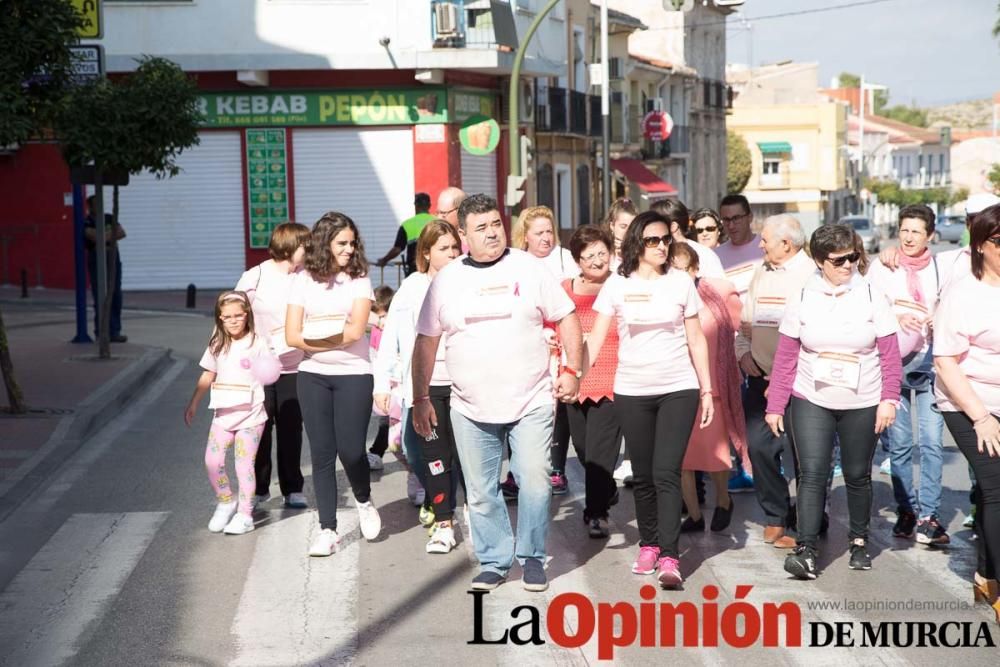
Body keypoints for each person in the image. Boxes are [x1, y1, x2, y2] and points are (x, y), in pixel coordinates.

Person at [412, 194, 583, 592]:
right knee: (481, 489)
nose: (491, 233)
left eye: (495, 224)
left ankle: (533, 556)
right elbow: (426, 342)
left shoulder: (529, 268)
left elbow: (566, 316)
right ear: (463, 234)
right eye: (481, 228)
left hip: (532, 398)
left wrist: (573, 369)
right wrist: (421, 398)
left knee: (536, 480)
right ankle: (494, 559)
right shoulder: (448, 279)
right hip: (470, 406)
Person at [585, 210, 715, 588]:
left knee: (666, 472)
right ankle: (650, 543)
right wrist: (575, 375)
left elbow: (696, 339)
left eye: (665, 240)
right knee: (642, 475)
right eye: (653, 240)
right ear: (637, 244)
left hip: (679, 387)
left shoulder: (680, 283)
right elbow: (596, 338)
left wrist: (707, 390)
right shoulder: (617, 284)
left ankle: (671, 556)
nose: (661, 246)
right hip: (632, 389)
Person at [765, 224, 902, 580]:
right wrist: (775, 405)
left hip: (864, 399)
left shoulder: (872, 294)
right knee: (812, 473)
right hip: (812, 397)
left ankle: (858, 540)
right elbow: (786, 357)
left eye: (853, 257)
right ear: (820, 261)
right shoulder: (803, 296)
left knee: (857, 474)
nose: (848, 265)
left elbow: (890, 355)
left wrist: (889, 399)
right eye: (839, 260)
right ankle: (806, 549)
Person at [285, 212, 383, 556]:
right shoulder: (302, 280)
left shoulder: (359, 278)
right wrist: (326, 342)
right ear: (325, 243)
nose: (349, 248)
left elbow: (357, 331)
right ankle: (327, 529)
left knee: (352, 450)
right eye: (342, 242)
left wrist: (316, 340)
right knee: (323, 454)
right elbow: (291, 335)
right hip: (312, 376)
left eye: (352, 242)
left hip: (354, 373)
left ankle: (363, 498)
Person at [373, 220, 465, 554]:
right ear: (425, 254)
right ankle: (439, 499)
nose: (453, 253)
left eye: (455, 247)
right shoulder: (411, 288)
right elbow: (391, 339)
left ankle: (445, 513)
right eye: (444, 248)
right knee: (414, 449)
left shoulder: (467, 281)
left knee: (452, 453)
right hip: (422, 385)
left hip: (462, 381)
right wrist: (382, 383)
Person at [933, 203, 1000, 626]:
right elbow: (945, 362)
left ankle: (985, 573)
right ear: (980, 245)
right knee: (996, 488)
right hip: (966, 401)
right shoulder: (964, 294)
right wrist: (980, 416)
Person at [868, 205, 948, 545]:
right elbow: (869, 306)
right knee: (899, 445)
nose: (909, 237)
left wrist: (937, 318)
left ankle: (930, 514)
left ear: (929, 235)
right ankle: (907, 510)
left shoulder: (942, 268)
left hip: (930, 362)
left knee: (931, 442)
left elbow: (952, 302)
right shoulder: (883, 266)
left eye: (916, 231)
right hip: (893, 365)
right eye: (904, 230)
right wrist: (895, 320)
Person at [735, 214, 816, 549]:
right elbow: (746, 322)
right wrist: (743, 354)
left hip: (796, 384)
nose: (760, 244)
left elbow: (813, 333)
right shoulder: (761, 271)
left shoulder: (811, 275)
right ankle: (775, 516)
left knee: (801, 455)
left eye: (765, 239)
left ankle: (809, 518)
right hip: (758, 378)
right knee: (759, 447)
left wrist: (784, 378)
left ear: (787, 243)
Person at [184, 291, 281, 535]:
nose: (234, 320)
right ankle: (226, 501)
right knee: (212, 460)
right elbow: (208, 373)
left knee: (243, 465)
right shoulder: (217, 341)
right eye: (227, 317)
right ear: (220, 318)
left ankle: (245, 515)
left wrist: (263, 367)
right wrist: (194, 402)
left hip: (251, 415)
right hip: (224, 414)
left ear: (247, 315)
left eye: (238, 315)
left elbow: (272, 372)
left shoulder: (258, 341)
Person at [669, 244, 747, 533]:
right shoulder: (664, 299)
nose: (677, 275)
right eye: (671, 268)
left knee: (715, 453)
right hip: (678, 385)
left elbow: (742, 328)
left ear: (695, 270)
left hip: (713, 384)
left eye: (682, 269)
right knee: (682, 458)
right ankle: (694, 514)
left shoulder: (720, 293)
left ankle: (724, 500)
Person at [235, 222, 311, 510]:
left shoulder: (307, 277)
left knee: (291, 429)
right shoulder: (255, 276)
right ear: (290, 247)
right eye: (305, 245)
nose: (309, 250)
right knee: (260, 428)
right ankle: (258, 489)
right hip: (260, 367)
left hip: (294, 365)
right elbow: (234, 313)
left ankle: (293, 488)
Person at [508, 205, 579, 497]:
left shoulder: (566, 261)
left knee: (558, 407)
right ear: (525, 236)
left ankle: (557, 469)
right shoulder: (514, 263)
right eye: (539, 233)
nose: (546, 238)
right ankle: (516, 473)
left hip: (560, 346)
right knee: (520, 409)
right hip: (526, 346)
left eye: (550, 231)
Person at [562, 224, 622, 538]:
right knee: (585, 451)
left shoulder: (623, 285)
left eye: (602, 253)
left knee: (601, 452)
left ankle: (596, 512)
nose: (598, 261)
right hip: (575, 381)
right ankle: (606, 488)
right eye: (589, 256)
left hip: (613, 381)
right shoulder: (565, 289)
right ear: (578, 261)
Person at [84, 195, 127, 342]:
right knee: (100, 295)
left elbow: (121, 233)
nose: (99, 206)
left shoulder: (109, 217)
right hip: (96, 259)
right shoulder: (87, 221)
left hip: (113, 259)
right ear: (90, 206)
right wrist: (110, 236)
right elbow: (90, 235)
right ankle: (101, 331)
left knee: (115, 295)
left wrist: (101, 237)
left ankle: (115, 331)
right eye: (96, 203)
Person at [650, 199, 726, 279]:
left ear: (673, 227)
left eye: (656, 224)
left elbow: (721, 289)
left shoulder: (704, 255)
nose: (651, 229)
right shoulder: (654, 254)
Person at [716, 193, 764, 302]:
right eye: (726, 220)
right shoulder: (715, 256)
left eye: (736, 218)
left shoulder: (767, 246)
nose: (731, 226)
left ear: (750, 217)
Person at [376, 193, 437, 276]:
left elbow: (397, 249)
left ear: (416, 206)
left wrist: (384, 260)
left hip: (415, 271)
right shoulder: (438, 222)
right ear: (429, 206)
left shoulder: (407, 225)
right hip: (435, 270)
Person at [603, 197, 639, 268]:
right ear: (612, 226)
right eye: (623, 226)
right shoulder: (602, 249)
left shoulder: (641, 249)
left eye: (632, 226)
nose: (628, 231)